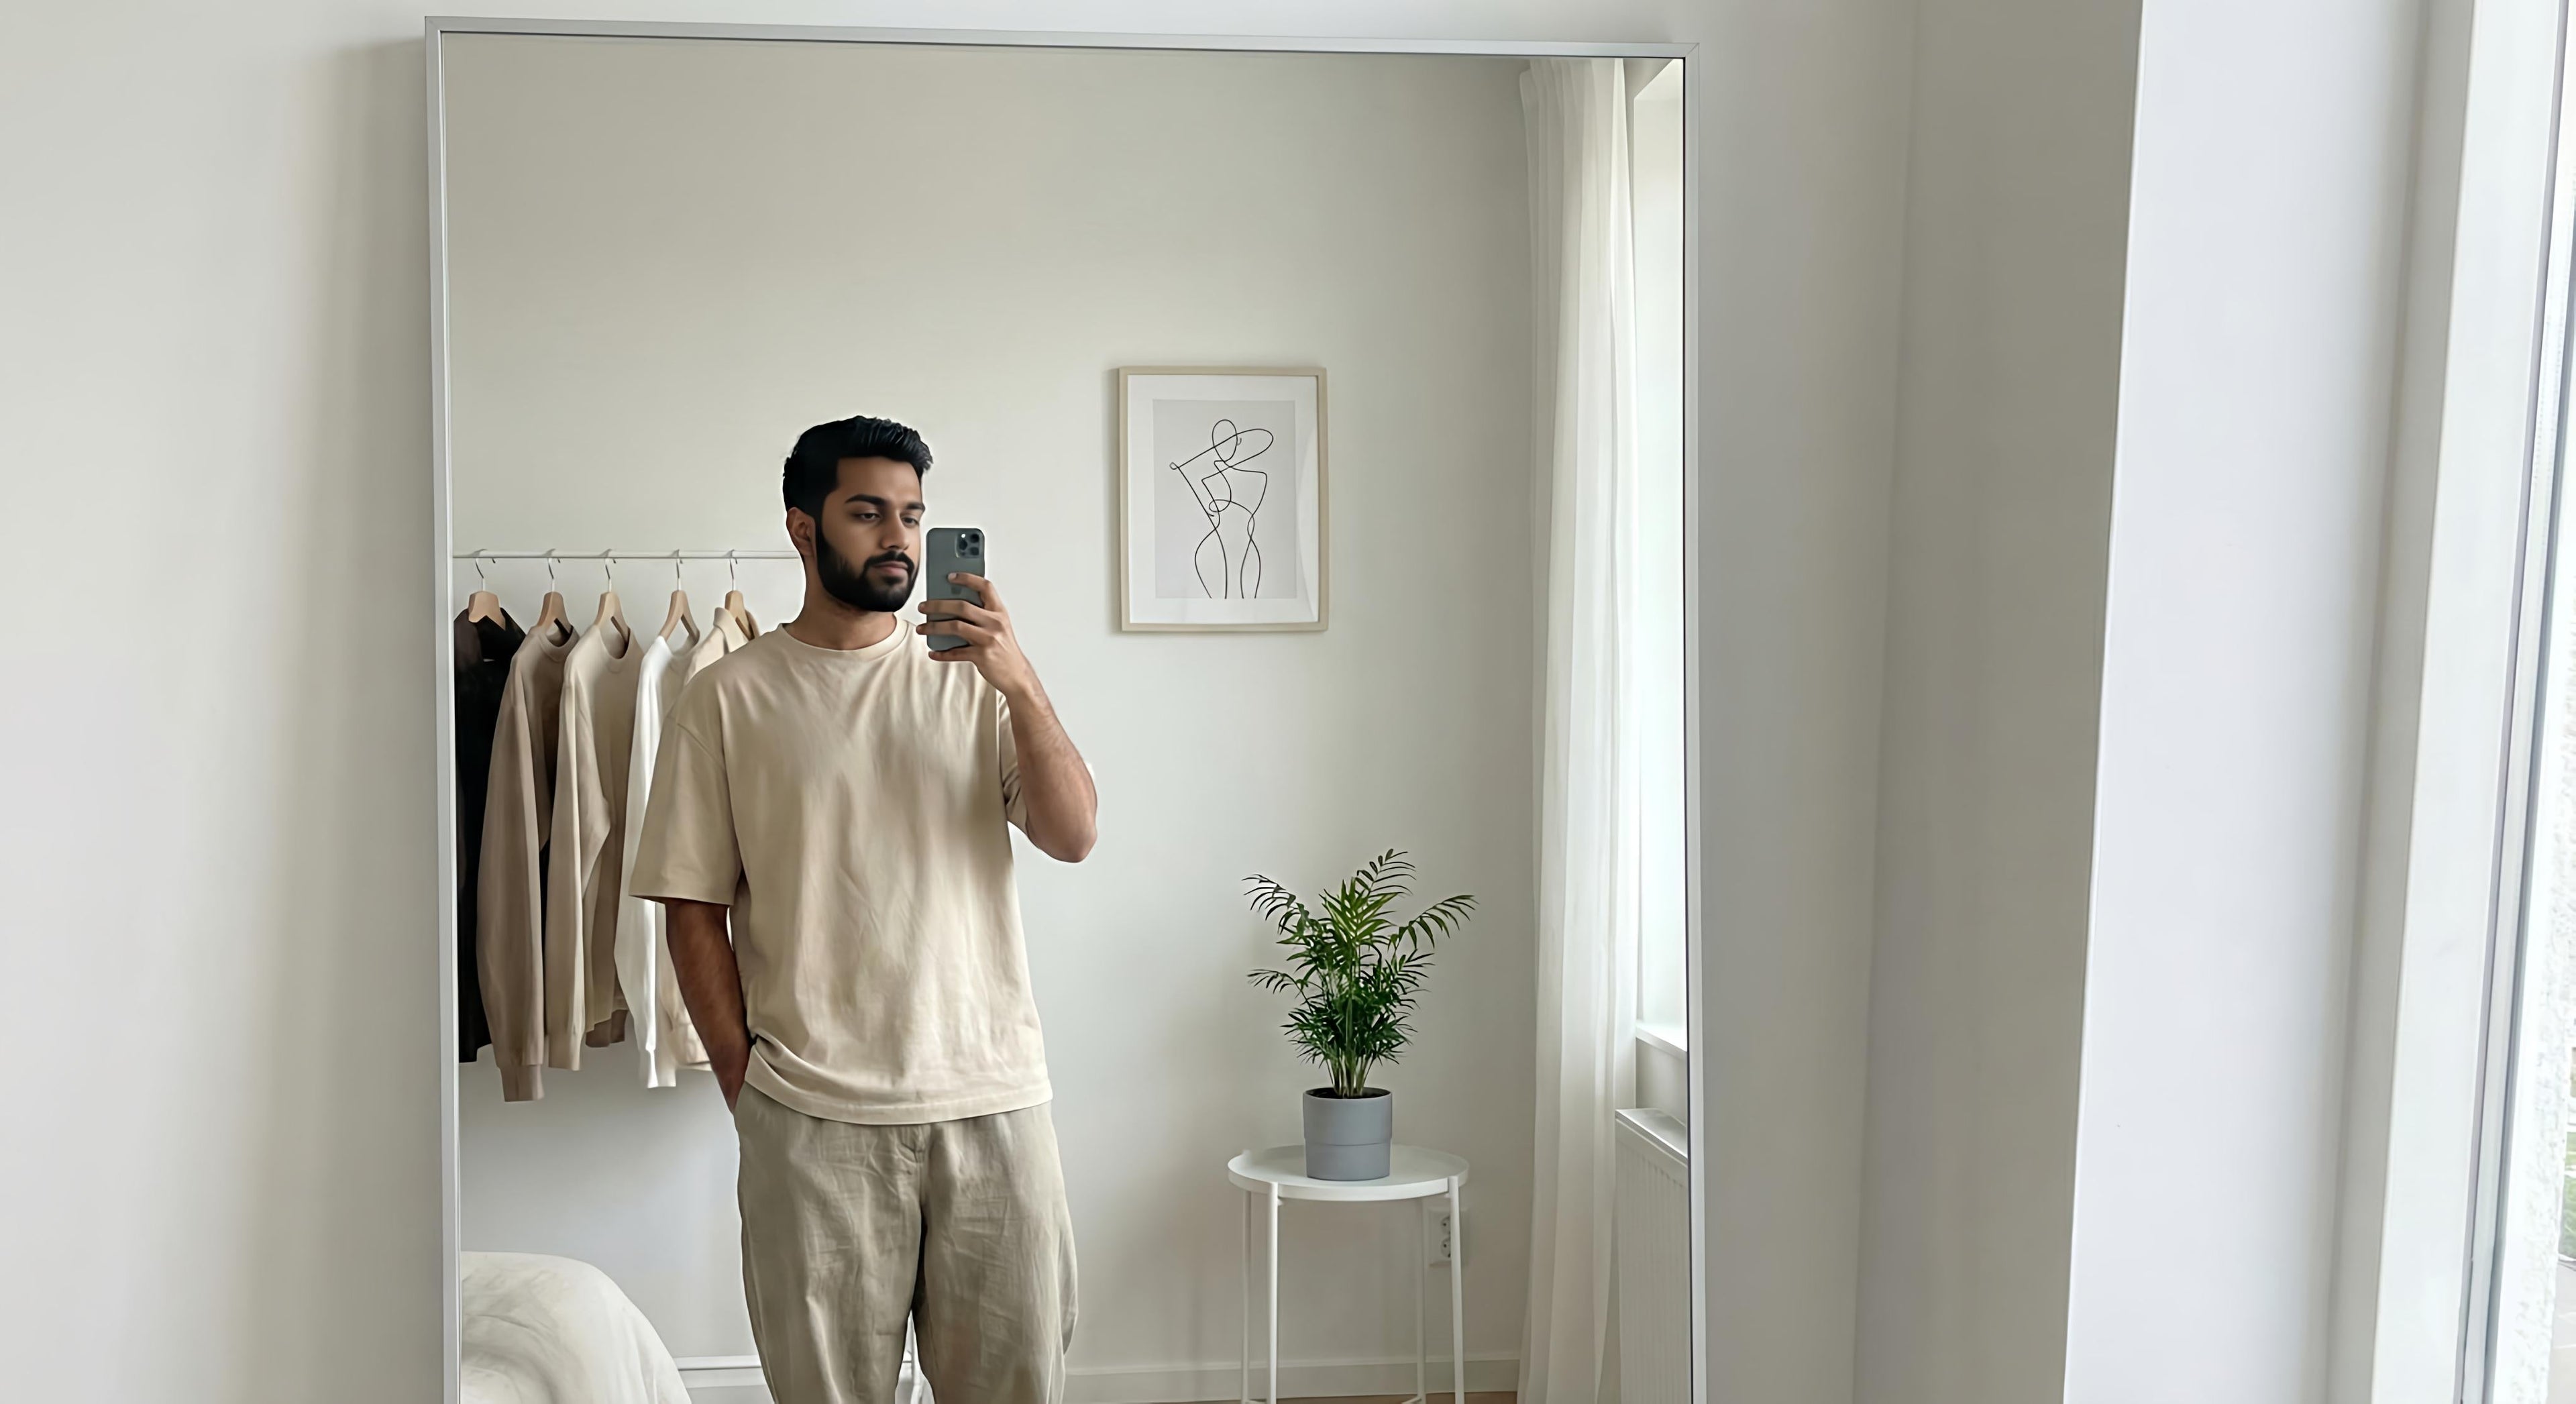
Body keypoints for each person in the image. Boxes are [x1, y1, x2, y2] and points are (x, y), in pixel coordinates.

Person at [629, 414, 1097, 1404]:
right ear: (803, 528)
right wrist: (747, 1090)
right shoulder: (725, 698)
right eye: (869, 512)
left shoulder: (977, 684)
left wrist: (1020, 681)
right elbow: (689, 905)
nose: (898, 537)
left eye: (914, 515)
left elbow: (1074, 832)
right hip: (813, 1120)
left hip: (996, 1101)